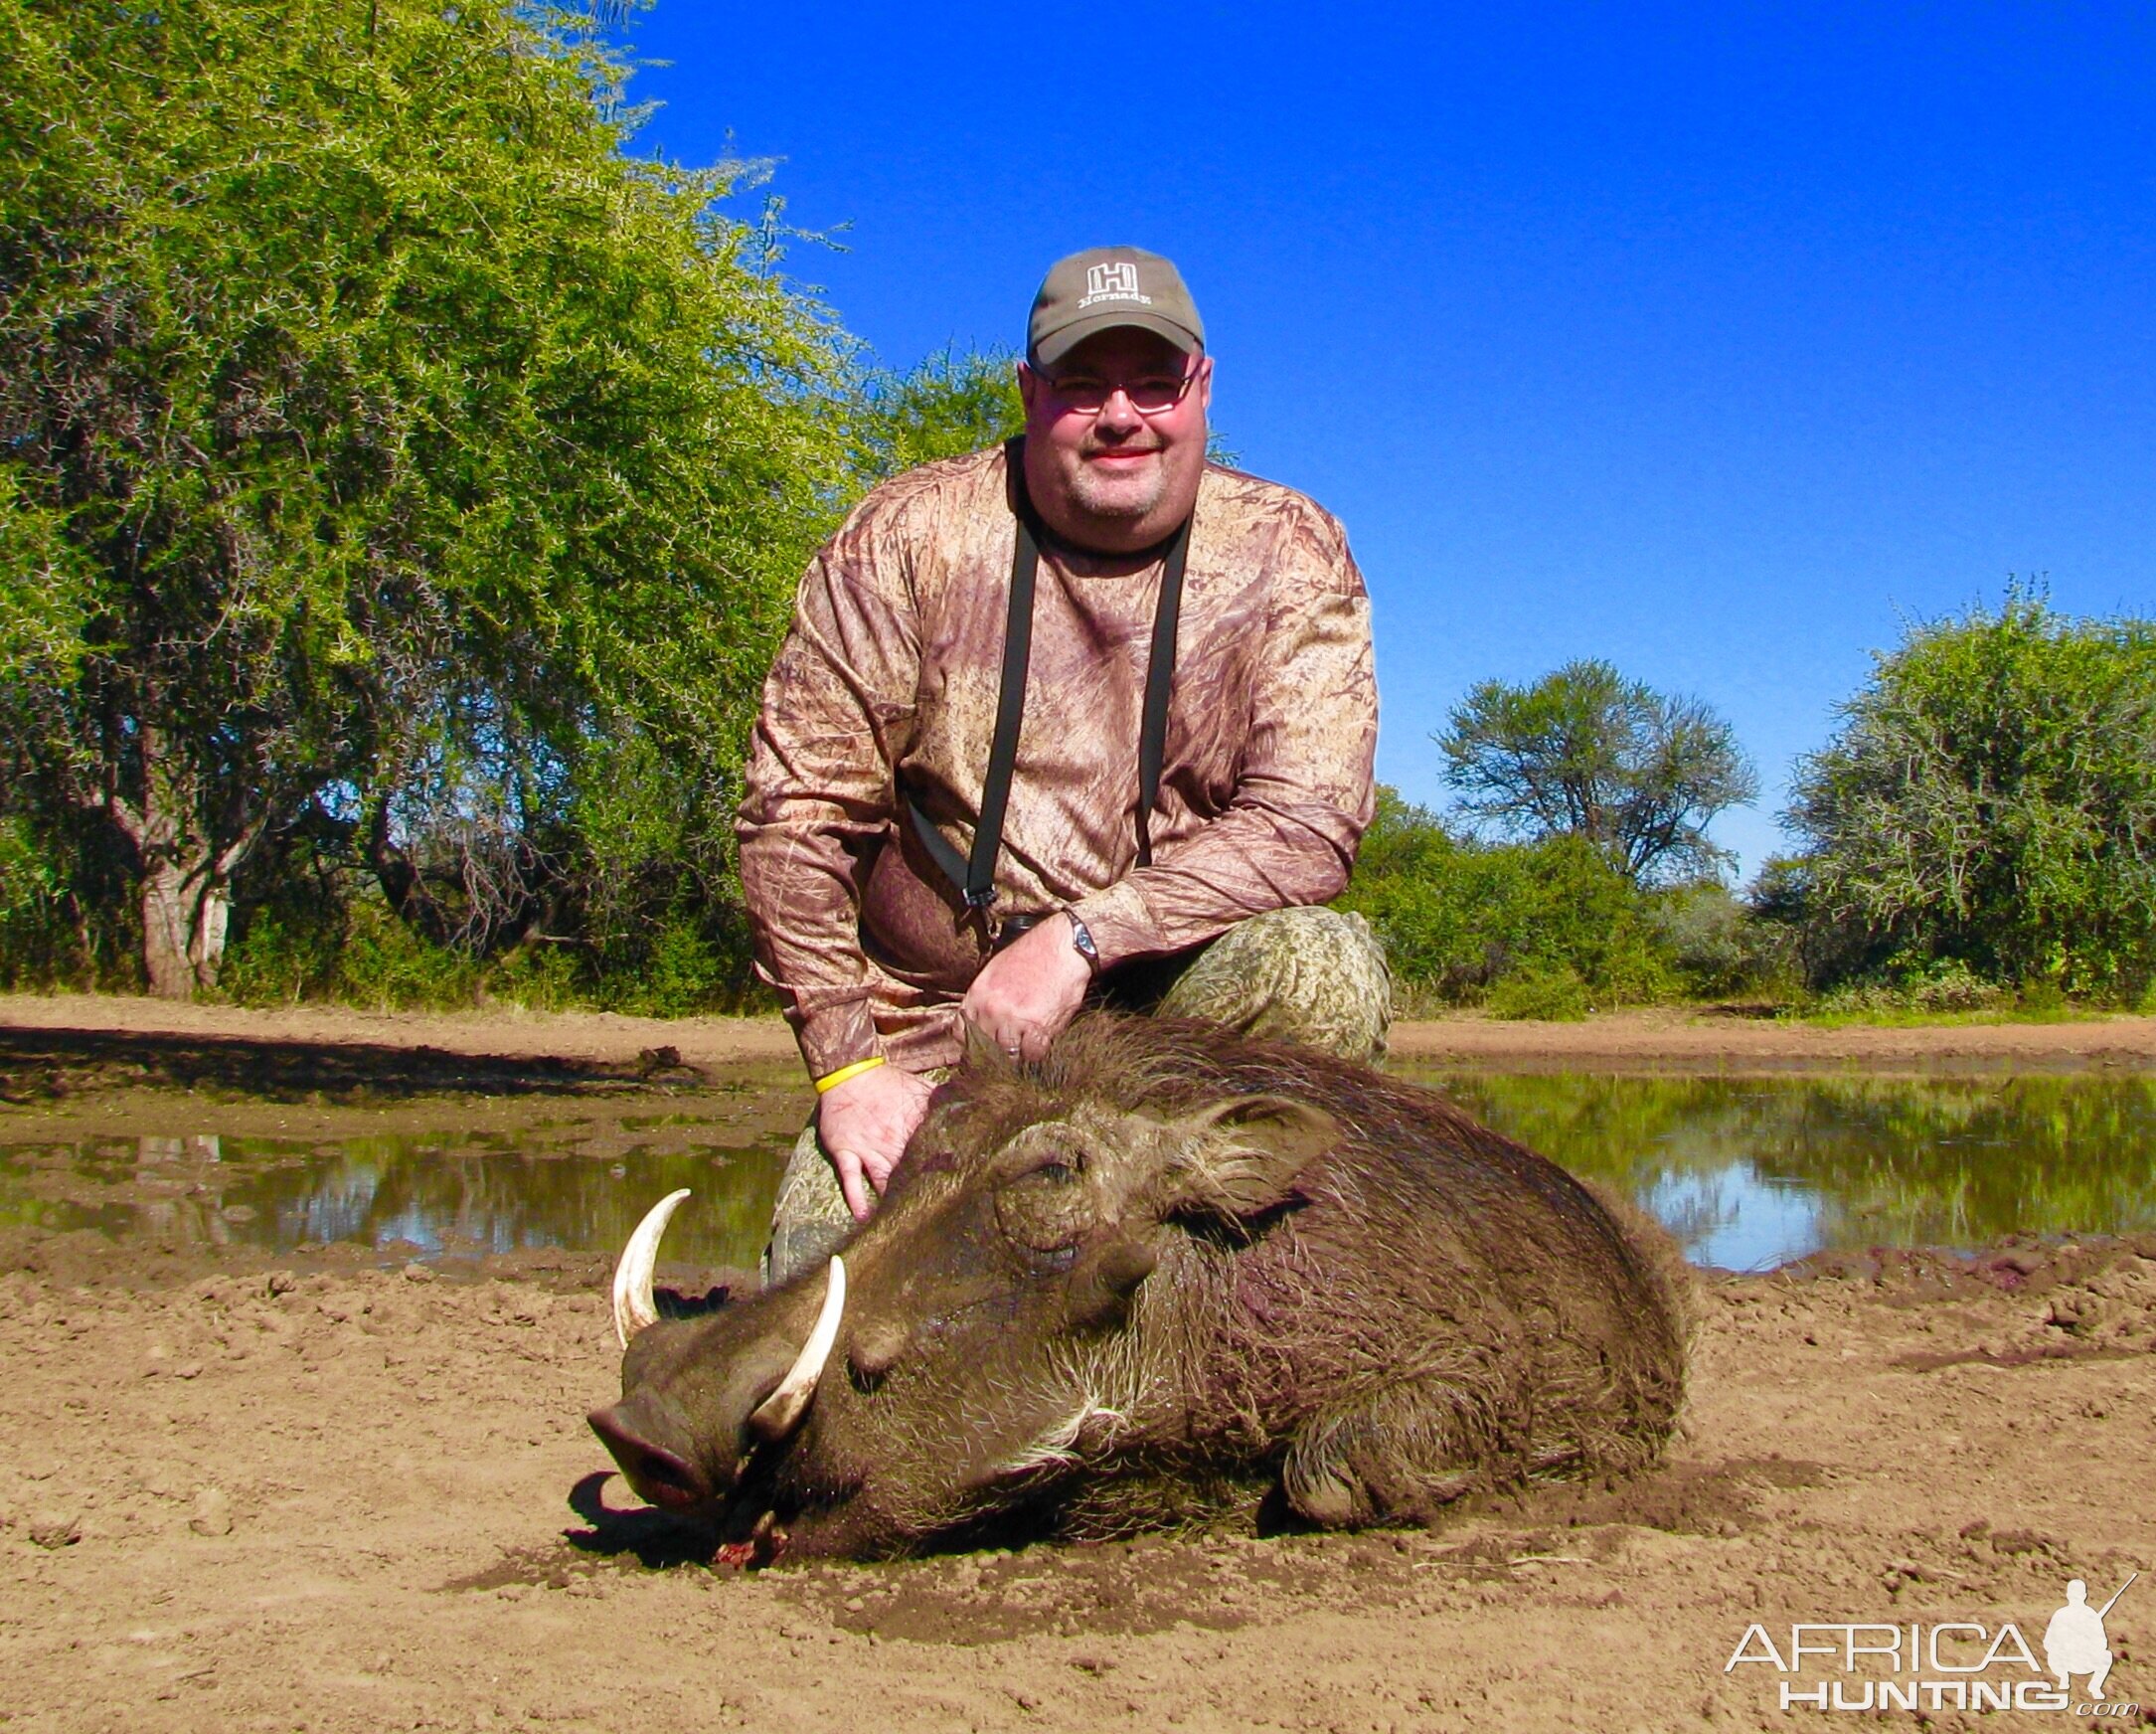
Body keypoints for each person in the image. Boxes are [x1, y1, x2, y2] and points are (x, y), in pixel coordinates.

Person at [738, 246, 1387, 1282]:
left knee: (1322, 967)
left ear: (1201, 387)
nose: (1120, 414)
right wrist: (852, 1068)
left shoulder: (1289, 549)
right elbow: (793, 819)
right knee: (805, 1331)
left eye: (1152, 381)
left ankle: (1222, 1295)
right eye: (1081, 383)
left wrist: (1081, 940)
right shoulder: (904, 536)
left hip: (1163, 1020)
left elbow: (1308, 826)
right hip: (931, 1039)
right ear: (1029, 393)